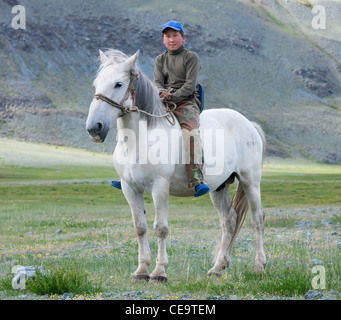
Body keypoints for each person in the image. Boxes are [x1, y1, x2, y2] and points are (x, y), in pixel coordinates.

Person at [111, 20, 209, 197]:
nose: (171, 39)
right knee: (135, 124)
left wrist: (172, 96)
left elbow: (190, 84)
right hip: (162, 100)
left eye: (175, 36)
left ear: (183, 38)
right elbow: (157, 82)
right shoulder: (160, 59)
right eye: (168, 36)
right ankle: (125, 174)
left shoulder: (191, 58)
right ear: (163, 39)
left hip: (186, 101)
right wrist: (161, 93)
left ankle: (196, 179)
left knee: (191, 133)